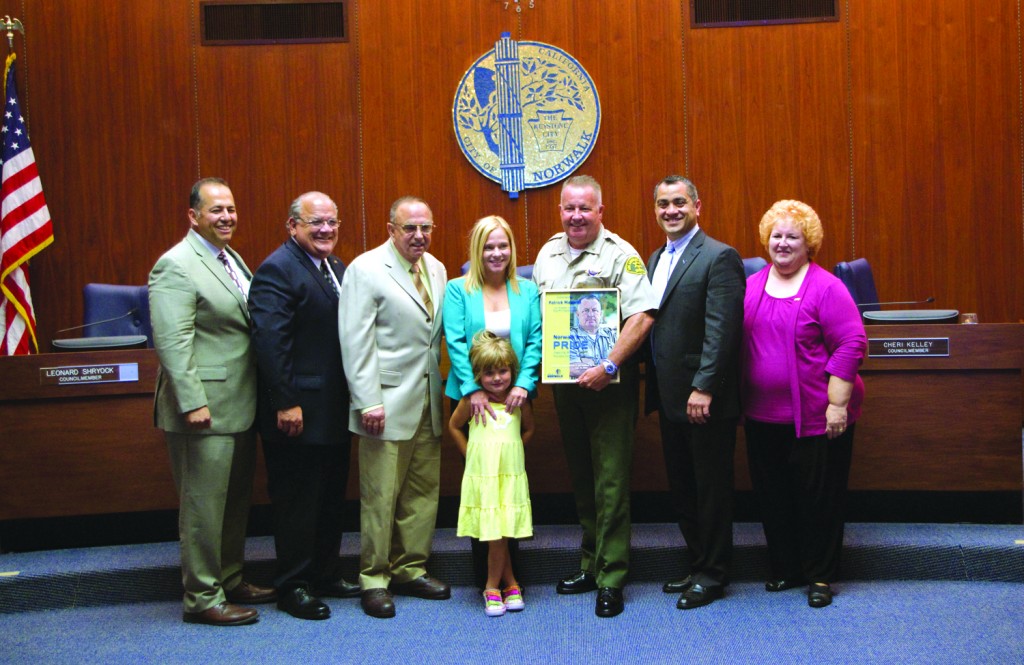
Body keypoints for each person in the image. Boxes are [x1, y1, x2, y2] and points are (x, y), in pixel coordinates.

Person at [148, 177, 275, 626]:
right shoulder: (176, 265)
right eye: (216, 210)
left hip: (238, 405)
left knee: (233, 501)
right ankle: (202, 598)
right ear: (193, 216)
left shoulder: (229, 258)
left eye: (231, 209)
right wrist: (191, 402)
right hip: (203, 410)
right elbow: (172, 340)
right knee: (203, 507)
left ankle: (230, 578)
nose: (226, 217)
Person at [532, 174, 658, 618]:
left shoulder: (621, 256)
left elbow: (642, 317)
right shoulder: (548, 253)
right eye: (569, 208)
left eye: (585, 208)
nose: (576, 216)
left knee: (611, 482)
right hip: (567, 386)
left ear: (600, 211)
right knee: (583, 479)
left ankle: (612, 576)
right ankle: (590, 563)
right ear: (561, 211)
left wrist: (610, 365)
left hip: (610, 386)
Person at [742, 199, 867, 609]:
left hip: (818, 417)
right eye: (776, 236)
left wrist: (837, 405)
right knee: (774, 496)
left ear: (808, 243)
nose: (782, 243)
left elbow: (851, 343)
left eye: (791, 237)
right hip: (762, 417)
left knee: (819, 499)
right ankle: (787, 568)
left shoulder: (827, 286)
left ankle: (820, 576)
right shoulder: (753, 284)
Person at [248, 191, 359, 621]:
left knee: (330, 496)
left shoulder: (334, 267)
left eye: (332, 221)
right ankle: (293, 585)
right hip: (296, 413)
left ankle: (326, 573)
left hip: (332, 409)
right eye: (316, 222)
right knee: (298, 502)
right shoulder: (277, 269)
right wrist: (287, 401)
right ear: (292, 225)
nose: (326, 229)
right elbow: (270, 343)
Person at [337, 195, 450, 619]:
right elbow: (355, 340)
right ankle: (375, 578)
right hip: (382, 403)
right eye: (410, 228)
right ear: (390, 229)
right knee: (380, 496)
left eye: (426, 228)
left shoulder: (437, 269)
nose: (419, 236)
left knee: (422, 491)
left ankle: (411, 568)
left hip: (426, 400)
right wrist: (367, 399)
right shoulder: (366, 269)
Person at [644, 176, 745, 610]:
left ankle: (714, 574)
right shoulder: (654, 258)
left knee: (711, 489)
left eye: (679, 202)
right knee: (684, 487)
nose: (671, 210)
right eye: (663, 204)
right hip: (668, 398)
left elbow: (722, 331)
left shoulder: (720, 257)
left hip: (703, 398)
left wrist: (704, 386)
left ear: (697, 206)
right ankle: (697, 563)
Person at [442, 215, 542, 589]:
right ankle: (484, 578)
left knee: (509, 487)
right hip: (473, 399)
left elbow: (534, 341)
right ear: (476, 250)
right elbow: (454, 342)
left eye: (503, 245)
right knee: (483, 487)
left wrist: (525, 383)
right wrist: (473, 389)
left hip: (514, 399)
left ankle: (511, 575)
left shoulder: (527, 290)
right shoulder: (458, 289)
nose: (496, 253)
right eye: (488, 246)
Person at [448, 331, 535, 617]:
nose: (497, 378)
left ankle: (506, 583)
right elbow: (453, 426)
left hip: (509, 476)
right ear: (477, 375)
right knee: (494, 533)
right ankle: (495, 586)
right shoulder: (472, 402)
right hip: (483, 476)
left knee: (502, 531)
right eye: (489, 374)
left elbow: (529, 429)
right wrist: (470, 454)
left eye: (503, 371)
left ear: (512, 370)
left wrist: (515, 453)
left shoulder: (519, 401)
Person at [568, 293, 618, 378]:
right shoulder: (569, 337)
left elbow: (620, 362)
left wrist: (586, 363)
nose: (590, 314)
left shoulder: (612, 335)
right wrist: (606, 366)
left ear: (601, 314)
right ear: (578, 314)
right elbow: (571, 369)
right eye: (586, 310)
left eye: (594, 310)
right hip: (577, 389)